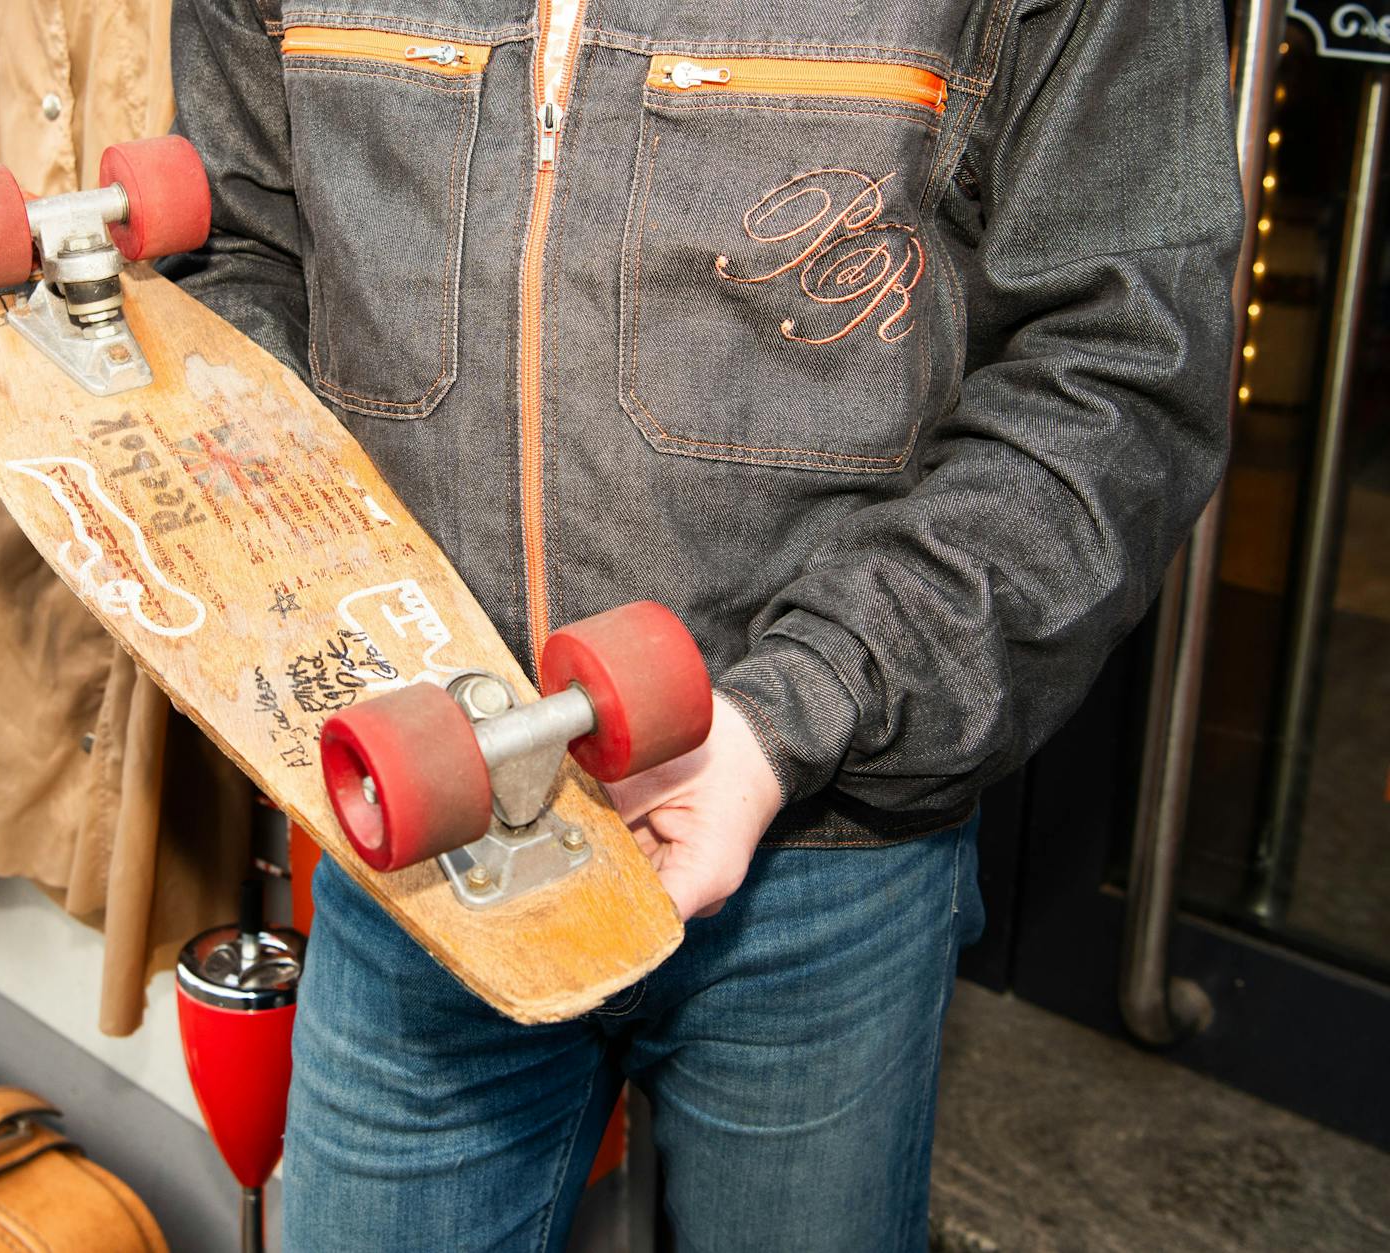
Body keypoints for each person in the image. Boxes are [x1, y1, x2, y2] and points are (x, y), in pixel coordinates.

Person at [164, 0, 1243, 1247]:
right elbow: (237, 254)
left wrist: (798, 708)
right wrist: (305, 587)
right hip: (428, 845)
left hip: (824, 864)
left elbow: (1117, 371)